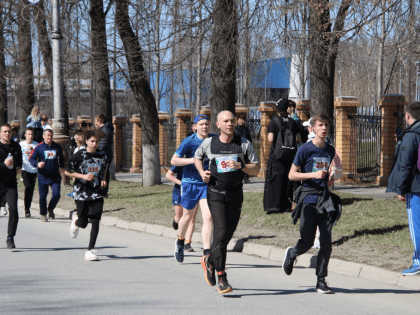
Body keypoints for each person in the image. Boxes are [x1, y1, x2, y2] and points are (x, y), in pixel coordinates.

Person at [195, 111, 259, 294]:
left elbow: (256, 169)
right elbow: (197, 157)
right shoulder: (209, 143)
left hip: (235, 194)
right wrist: (201, 172)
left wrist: (242, 166)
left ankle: (209, 261)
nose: (230, 123)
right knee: (221, 231)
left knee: (226, 236)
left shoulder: (243, 143)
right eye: (226, 121)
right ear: (218, 124)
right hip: (215, 193)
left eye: (232, 120)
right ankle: (222, 276)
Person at [284, 114, 342, 294]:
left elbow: (333, 171)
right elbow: (292, 175)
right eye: (321, 125)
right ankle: (292, 254)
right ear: (313, 129)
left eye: (326, 125)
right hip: (308, 198)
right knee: (307, 241)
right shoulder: (305, 150)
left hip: (324, 199)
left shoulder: (330, 150)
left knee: (326, 241)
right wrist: (312, 175)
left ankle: (321, 280)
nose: (324, 128)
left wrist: (331, 179)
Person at [171, 114, 214, 263]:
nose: (204, 127)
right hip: (190, 184)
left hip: (207, 184)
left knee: (208, 217)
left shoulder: (213, 139)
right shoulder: (188, 141)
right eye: (201, 124)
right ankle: (180, 241)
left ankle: (207, 252)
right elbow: (174, 160)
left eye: (206, 124)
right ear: (195, 127)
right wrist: (194, 160)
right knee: (187, 217)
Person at [387, 101, 420, 276]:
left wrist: (401, 189)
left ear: (407, 116)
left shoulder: (411, 134)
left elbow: (405, 165)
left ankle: (418, 262)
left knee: (416, 226)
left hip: (415, 188)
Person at [65, 129, 109, 261]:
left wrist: (103, 179)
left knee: (96, 221)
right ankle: (76, 219)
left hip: (96, 192)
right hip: (81, 193)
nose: (95, 144)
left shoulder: (102, 155)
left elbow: (104, 169)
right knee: (83, 223)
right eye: (92, 141)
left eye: (97, 141)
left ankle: (90, 250)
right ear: (86, 141)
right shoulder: (79, 155)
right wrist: (83, 176)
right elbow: (67, 172)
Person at [263, 98, 301, 214]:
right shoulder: (292, 122)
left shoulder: (274, 121)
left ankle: (274, 206)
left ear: (278, 108)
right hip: (289, 155)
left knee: (275, 179)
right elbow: (298, 138)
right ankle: (286, 205)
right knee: (287, 179)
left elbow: (270, 139)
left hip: (276, 155)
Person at [29, 128, 65, 222]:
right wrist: (37, 164)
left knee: (56, 194)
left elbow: (61, 158)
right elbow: (31, 159)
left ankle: (51, 208)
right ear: (43, 136)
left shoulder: (57, 146)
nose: (49, 137)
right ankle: (43, 214)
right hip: (42, 175)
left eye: (51, 136)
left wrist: (62, 166)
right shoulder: (39, 147)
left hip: (55, 175)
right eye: (47, 135)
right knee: (43, 196)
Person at [0, 124, 23, 249]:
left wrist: (18, 167)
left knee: (13, 209)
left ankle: (10, 237)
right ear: (0, 133)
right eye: (4, 132)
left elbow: (19, 161)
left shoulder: (16, 146)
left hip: (10, 184)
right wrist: (4, 164)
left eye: (9, 132)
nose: (7, 134)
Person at [165, 166, 197, 252]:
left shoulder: (200, 162)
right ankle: (176, 220)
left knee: (191, 218)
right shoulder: (181, 161)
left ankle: (187, 243)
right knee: (180, 217)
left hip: (193, 192)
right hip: (179, 191)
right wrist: (181, 183)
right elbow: (168, 175)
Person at [19, 127, 38, 217]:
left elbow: (39, 157)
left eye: (32, 134)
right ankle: (27, 209)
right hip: (24, 168)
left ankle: (27, 207)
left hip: (34, 170)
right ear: (25, 135)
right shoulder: (21, 144)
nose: (30, 136)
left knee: (31, 189)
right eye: (29, 134)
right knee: (28, 186)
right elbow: (17, 156)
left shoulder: (37, 145)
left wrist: (32, 151)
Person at [95, 114, 114, 196]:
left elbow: (104, 143)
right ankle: (102, 190)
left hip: (104, 154)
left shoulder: (105, 130)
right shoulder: (106, 128)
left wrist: (98, 151)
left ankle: (103, 191)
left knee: (103, 172)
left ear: (99, 121)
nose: (95, 124)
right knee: (103, 171)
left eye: (96, 122)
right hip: (106, 153)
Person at [234, 115, 253, 184]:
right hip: (237, 147)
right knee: (237, 162)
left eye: (243, 119)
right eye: (240, 119)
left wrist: (250, 147)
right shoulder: (235, 129)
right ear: (237, 120)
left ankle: (246, 178)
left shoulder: (247, 129)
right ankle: (237, 178)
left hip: (246, 147)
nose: (241, 121)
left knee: (246, 162)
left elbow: (250, 139)